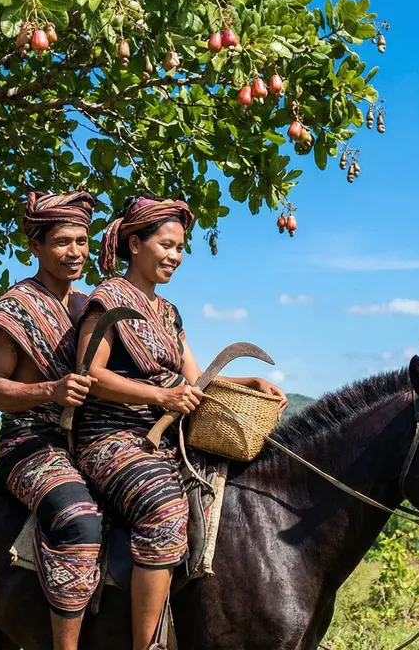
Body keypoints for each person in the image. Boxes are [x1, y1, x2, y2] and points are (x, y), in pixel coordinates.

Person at [75, 196, 286, 650]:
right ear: (135, 243)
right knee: (165, 511)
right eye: (166, 245)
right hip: (112, 437)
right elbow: (90, 374)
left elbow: (196, 379)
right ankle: (146, 644)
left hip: (170, 437)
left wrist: (246, 380)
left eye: (180, 248)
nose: (175, 256)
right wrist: (158, 395)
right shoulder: (106, 299)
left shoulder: (168, 313)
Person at [0, 190, 101, 650]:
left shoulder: (91, 305)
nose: (76, 253)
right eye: (63, 242)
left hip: (89, 442)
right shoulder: (15, 308)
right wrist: (50, 390)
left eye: (83, 241)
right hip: (31, 444)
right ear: (36, 246)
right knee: (79, 521)